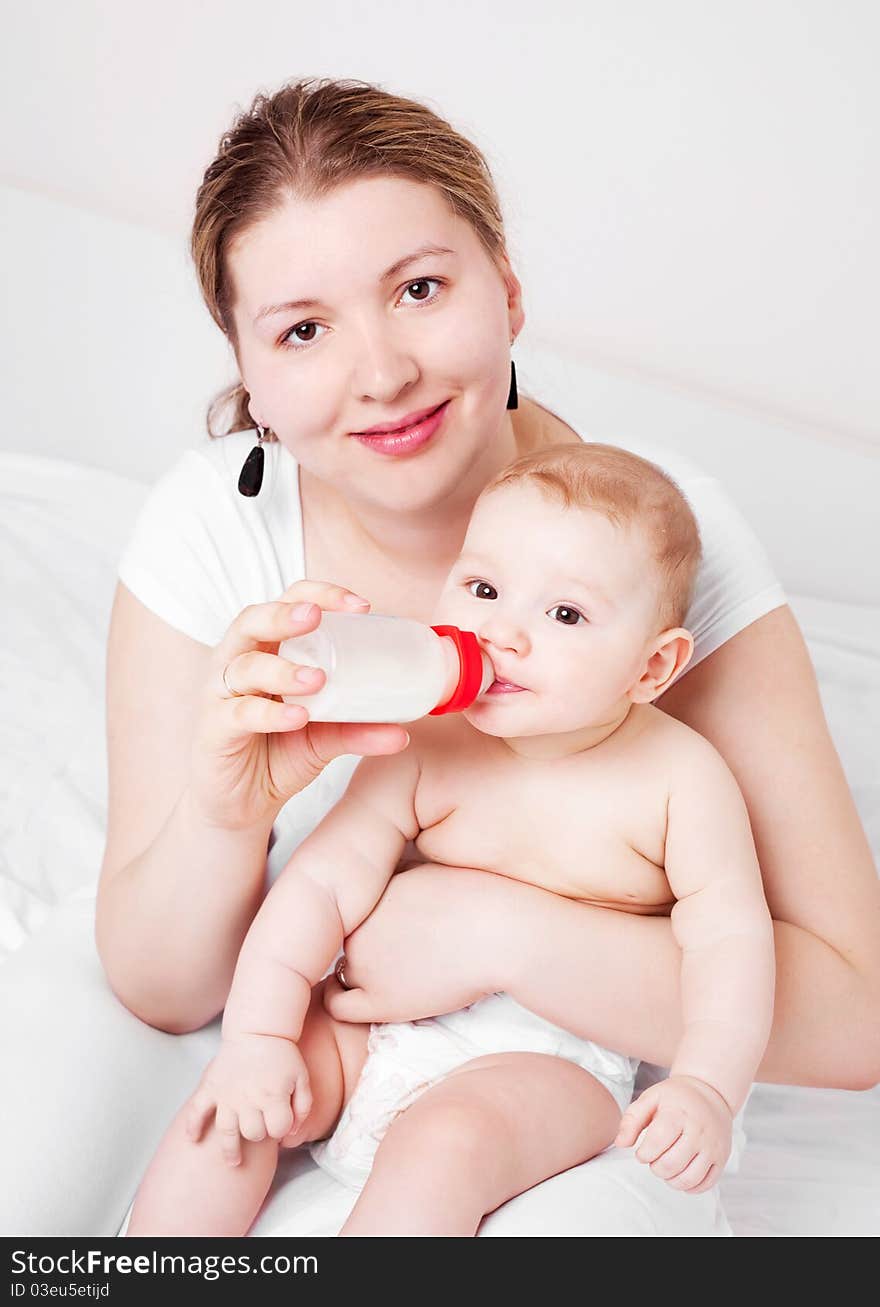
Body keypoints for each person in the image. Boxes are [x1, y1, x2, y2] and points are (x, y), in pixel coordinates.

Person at [2, 77, 876, 1239]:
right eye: (303, 329)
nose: (382, 373)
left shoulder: (657, 547)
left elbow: (855, 1014)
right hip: (273, 1000)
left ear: (507, 290)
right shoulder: (219, 523)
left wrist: (491, 933)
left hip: (554, 1061)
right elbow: (165, 989)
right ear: (247, 370)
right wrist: (225, 817)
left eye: (419, 288)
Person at [124, 443, 776, 1237]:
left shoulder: (682, 779)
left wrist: (709, 1086)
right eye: (484, 587)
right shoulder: (431, 741)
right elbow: (321, 888)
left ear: (652, 667)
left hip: (551, 1066)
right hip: (374, 1031)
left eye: (564, 613)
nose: (504, 632)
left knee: (444, 1145)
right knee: (229, 1113)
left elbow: (731, 945)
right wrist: (258, 1037)